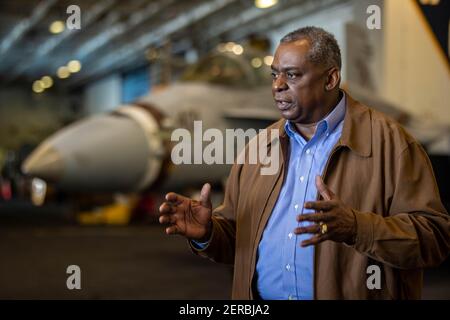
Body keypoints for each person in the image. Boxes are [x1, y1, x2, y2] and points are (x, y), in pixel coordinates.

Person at [158, 26, 450, 299]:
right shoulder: (258, 148)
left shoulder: (393, 145)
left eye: (292, 75)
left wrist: (357, 228)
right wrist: (208, 233)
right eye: (274, 75)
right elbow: (239, 241)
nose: (278, 86)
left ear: (330, 79)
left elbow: (435, 239)